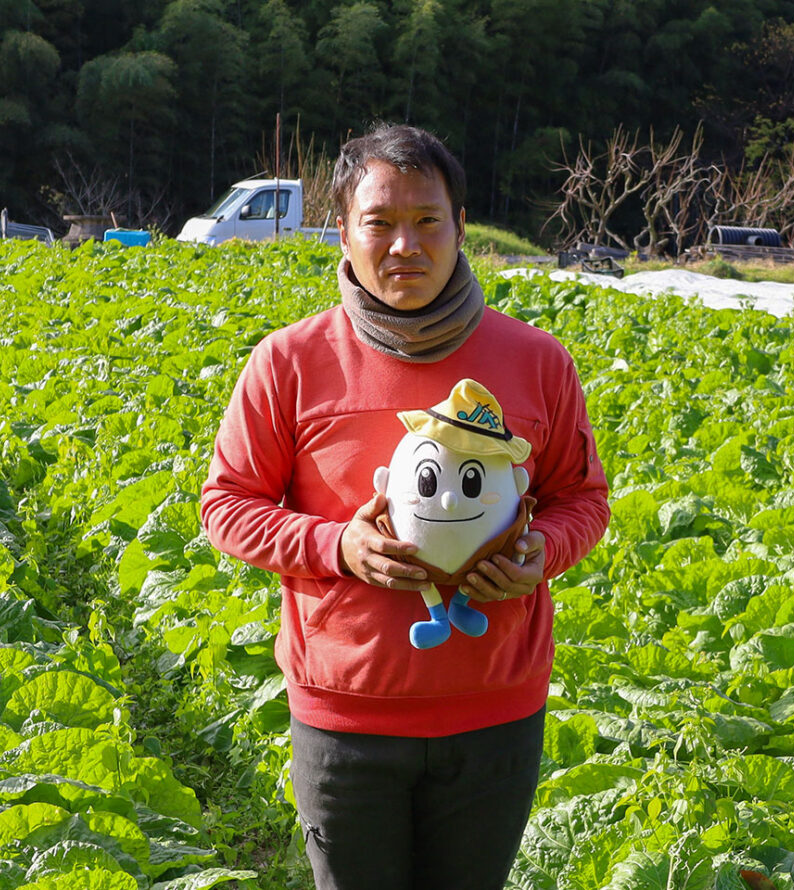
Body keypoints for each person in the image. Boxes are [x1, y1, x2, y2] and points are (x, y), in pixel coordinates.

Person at [200, 123, 610, 890]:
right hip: (346, 717)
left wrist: (542, 553)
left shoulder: (537, 362)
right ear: (344, 234)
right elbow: (227, 504)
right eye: (380, 223)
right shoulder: (288, 362)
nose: (404, 246)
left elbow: (582, 499)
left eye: (428, 221)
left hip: (496, 712)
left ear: (462, 228)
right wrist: (335, 548)